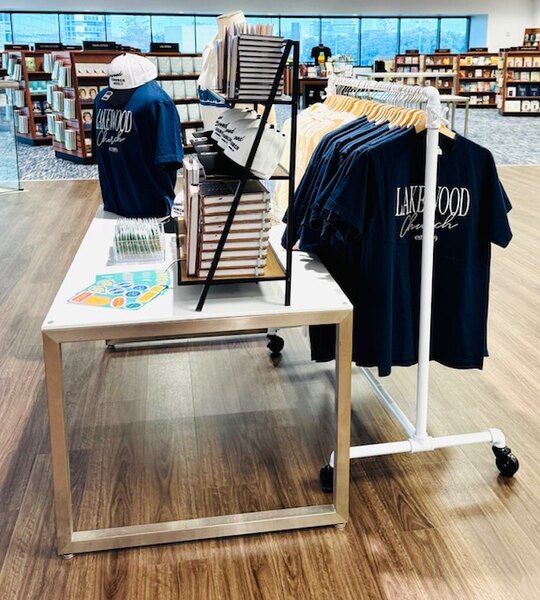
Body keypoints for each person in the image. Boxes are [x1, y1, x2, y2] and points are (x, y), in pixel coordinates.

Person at [93, 53, 184, 218]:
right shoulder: (158, 101)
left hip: (113, 202)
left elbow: (99, 150)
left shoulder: (101, 99)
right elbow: (170, 158)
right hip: (150, 208)